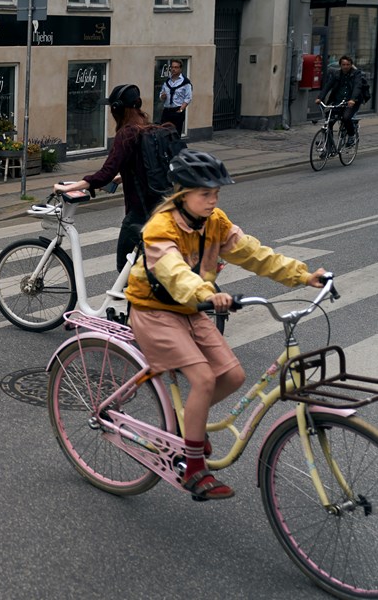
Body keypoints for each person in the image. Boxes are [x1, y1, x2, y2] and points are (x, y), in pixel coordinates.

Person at [124, 149, 326, 501]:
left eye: (216, 193)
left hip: (191, 309)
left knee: (232, 376)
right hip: (154, 311)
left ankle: (187, 424)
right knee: (203, 377)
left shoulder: (215, 222)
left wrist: (304, 275)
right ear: (181, 194)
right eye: (206, 193)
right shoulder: (161, 227)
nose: (213, 199)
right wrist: (206, 292)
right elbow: (173, 271)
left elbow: (253, 253)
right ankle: (193, 467)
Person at [54, 83, 174, 272]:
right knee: (145, 268)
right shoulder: (149, 129)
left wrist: (70, 187)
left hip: (140, 214)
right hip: (161, 206)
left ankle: (137, 301)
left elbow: (105, 174)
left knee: (124, 268)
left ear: (117, 109)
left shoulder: (126, 134)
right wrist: (123, 177)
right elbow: (149, 168)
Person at [315, 55, 365, 147]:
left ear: (351, 65)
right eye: (343, 64)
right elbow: (327, 86)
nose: (345, 66)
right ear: (340, 65)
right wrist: (320, 98)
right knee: (329, 120)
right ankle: (328, 144)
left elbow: (357, 87)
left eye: (348, 64)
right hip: (338, 101)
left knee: (346, 118)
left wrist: (353, 99)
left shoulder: (356, 74)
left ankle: (351, 136)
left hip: (351, 102)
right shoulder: (336, 74)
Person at [158, 59, 191, 135]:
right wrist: (162, 96)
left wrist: (181, 110)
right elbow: (161, 95)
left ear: (180, 69)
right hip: (167, 111)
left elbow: (188, 98)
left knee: (175, 134)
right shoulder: (167, 81)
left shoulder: (186, 82)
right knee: (163, 133)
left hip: (177, 110)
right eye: (172, 67)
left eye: (176, 67)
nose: (173, 69)